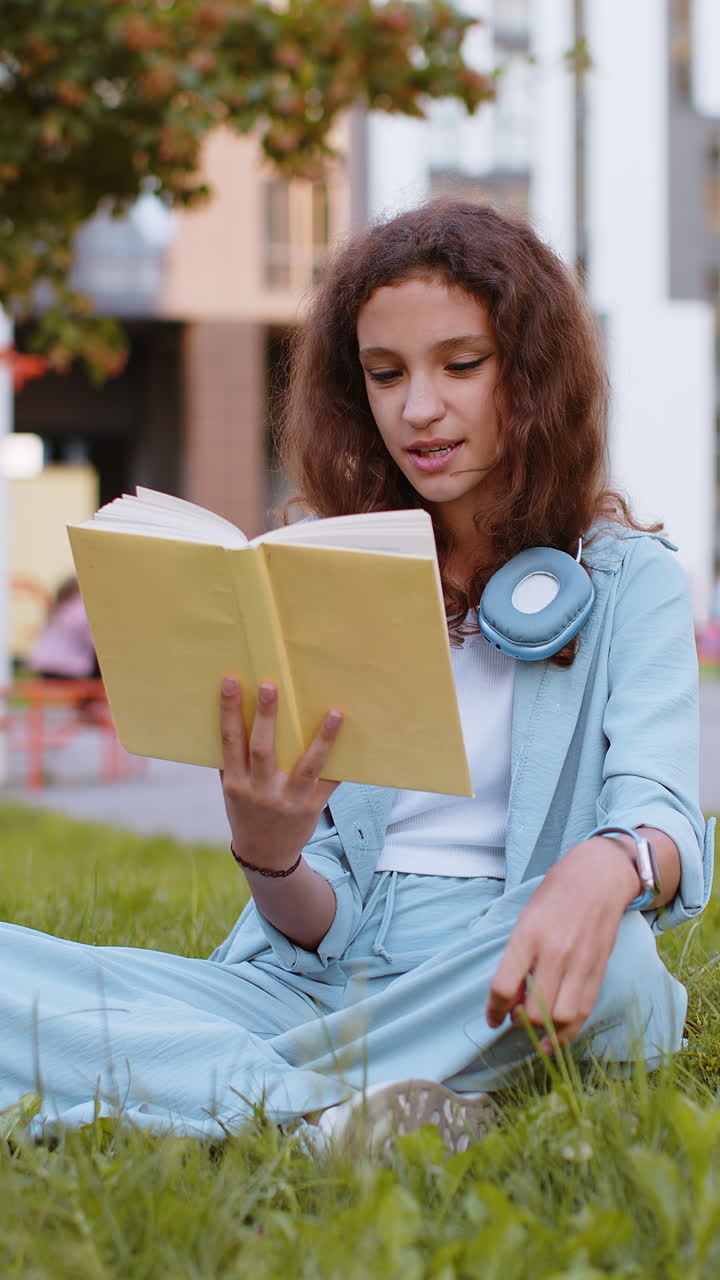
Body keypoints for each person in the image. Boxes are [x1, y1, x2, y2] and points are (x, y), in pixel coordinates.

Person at [0, 201, 713, 1148]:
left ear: (533, 374)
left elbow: (665, 814)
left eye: (462, 364)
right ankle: (332, 1111)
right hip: (310, 986)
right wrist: (271, 851)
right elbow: (313, 925)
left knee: (619, 966)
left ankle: (214, 1092)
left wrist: (606, 863)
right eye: (385, 375)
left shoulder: (632, 581)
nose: (418, 409)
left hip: (505, 964)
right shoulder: (326, 571)